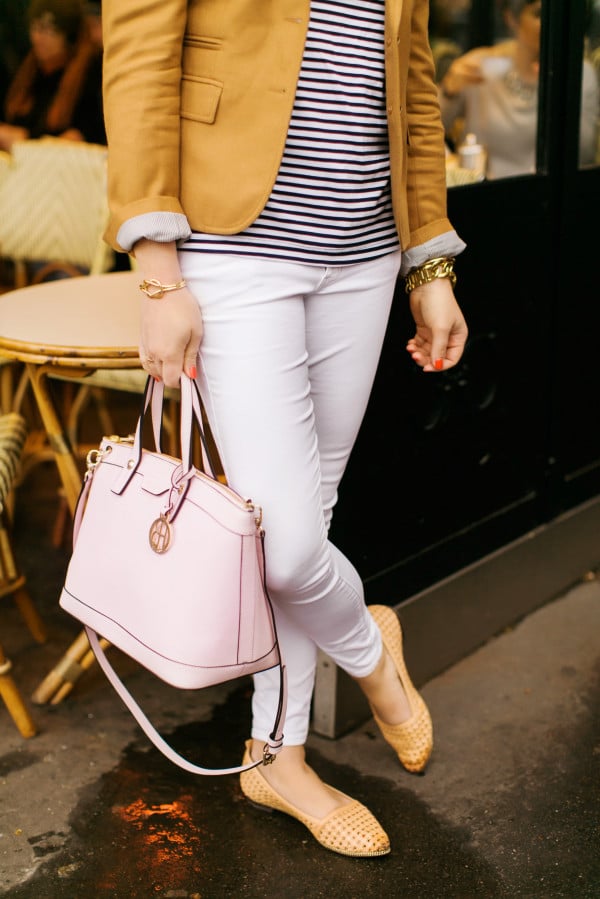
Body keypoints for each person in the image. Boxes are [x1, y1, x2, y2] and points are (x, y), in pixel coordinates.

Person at [101, 0, 469, 858]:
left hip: (365, 251)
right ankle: (367, 646)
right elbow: (142, 54)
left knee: (309, 519)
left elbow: (411, 86)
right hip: (234, 245)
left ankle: (277, 756)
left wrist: (429, 261)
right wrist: (157, 271)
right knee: (282, 542)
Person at [439, 0, 599, 178]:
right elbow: (431, 130)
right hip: (488, 193)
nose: (551, 24)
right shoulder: (480, 68)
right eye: (539, 15)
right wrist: (448, 91)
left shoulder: (580, 75)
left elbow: (583, 153)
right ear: (512, 18)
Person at [0, 0, 105, 152]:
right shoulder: (28, 69)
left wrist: (23, 140)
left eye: (49, 30)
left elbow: (81, 137)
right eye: (35, 28)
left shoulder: (88, 74)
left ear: (68, 36)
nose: (38, 37)